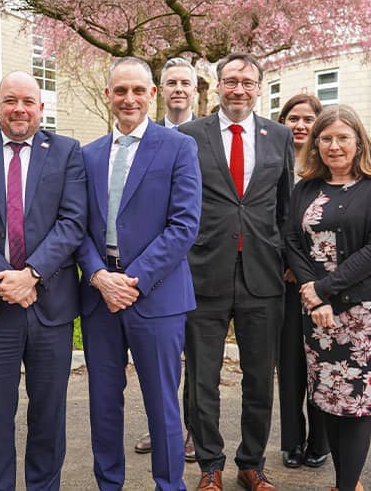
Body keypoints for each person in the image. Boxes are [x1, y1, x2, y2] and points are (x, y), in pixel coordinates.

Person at [0, 71, 86, 491]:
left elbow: (73, 221)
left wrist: (32, 275)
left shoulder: (66, 152)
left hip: (50, 306)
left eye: (28, 100)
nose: (19, 108)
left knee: (48, 417)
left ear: (41, 107)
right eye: (10, 100)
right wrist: (5, 278)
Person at [78, 57, 201, 491]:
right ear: (108, 96)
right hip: (99, 298)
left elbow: (185, 224)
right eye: (120, 91)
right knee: (103, 404)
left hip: (156, 296)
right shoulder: (87, 154)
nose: (128, 98)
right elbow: (75, 225)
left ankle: (170, 485)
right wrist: (97, 274)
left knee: (163, 404)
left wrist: (133, 280)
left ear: (153, 95)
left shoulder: (179, 148)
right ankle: (108, 483)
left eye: (137, 90)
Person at [178, 52, 293, 491]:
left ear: (259, 88)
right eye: (230, 81)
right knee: (202, 378)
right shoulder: (191, 135)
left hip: (263, 276)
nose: (238, 89)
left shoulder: (279, 135)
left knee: (260, 377)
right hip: (203, 272)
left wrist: (288, 263)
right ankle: (210, 465)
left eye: (247, 81)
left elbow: (286, 205)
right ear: (218, 85)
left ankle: (251, 462)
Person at [286, 104, 371, 491]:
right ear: (316, 144)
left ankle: (347, 485)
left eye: (343, 138)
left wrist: (324, 290)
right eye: (327, 138)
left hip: (364, 309)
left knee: (353, 403)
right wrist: (314, 298)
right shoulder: (306, 188)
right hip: (317, 310)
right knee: (327, 396)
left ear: (359, 141)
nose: (335, 146)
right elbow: (292, 243)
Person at [134, 56, 199, 462]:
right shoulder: (146, 136)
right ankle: (163, 425)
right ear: (161, 90)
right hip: (156, 268)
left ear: (196, 90)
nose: (178, 88)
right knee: (164, 363)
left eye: (185, 82)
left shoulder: (206, 137)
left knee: (198, 357)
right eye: (171, 81)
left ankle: (191, 428)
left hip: (201, 263)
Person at [276, 94, 329, 469]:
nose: (300, 125)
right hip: (280, 279)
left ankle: (320, 441)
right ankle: (291, 441)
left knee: (321, 363)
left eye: (309, 119)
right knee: (290, 363)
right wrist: (284, 264)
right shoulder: (271, 162)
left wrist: (305, 269)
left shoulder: (329, 164)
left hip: (322, 283)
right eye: (292, 118)